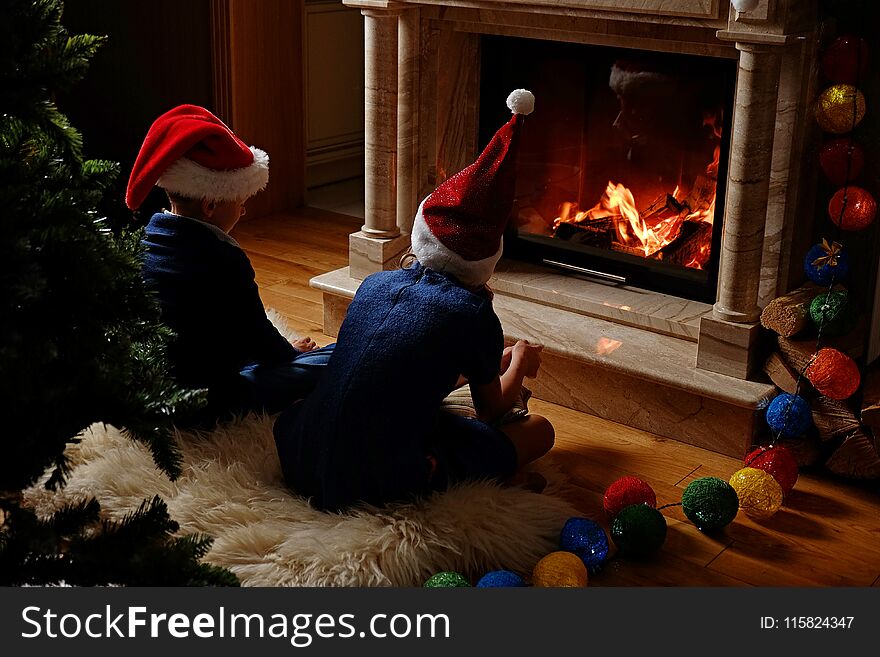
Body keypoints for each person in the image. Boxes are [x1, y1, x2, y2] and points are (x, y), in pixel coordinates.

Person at [273, 90, 555, 512]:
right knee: (539, 431)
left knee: (373, 405)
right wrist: (517, 360)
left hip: (300, 451)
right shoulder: (474, 313)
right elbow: (492, 410)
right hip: (372, 477)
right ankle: (478, 477)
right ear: (486, 263)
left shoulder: (375, 284)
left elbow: (413, 363)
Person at [125, 104, 334, 423]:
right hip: (204, 400)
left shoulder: (144, 239)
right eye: (240, 203)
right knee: (334, 358)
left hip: (151, 388)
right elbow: (254, 333)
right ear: (210, 205)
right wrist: (288, 355)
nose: (244, 211)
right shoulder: (222, 259)